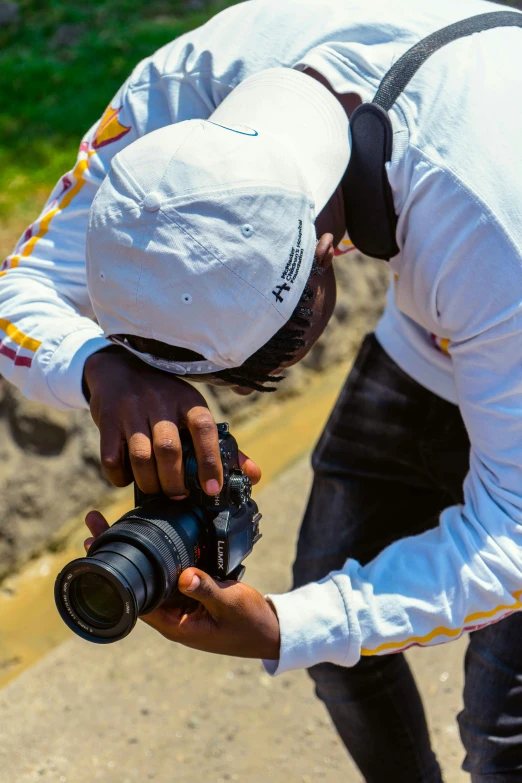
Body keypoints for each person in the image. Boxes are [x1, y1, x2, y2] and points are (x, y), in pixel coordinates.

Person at [3, 0, 522, 779]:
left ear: (324, 256)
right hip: (439, 322)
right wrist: (103, 369)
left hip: (489, 285)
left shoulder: (488, 221)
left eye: (253, 374)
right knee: (338, 633)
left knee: (503, 728)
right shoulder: (183, 90)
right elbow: (21, 285)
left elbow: (510, 538)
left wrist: (289, 625)